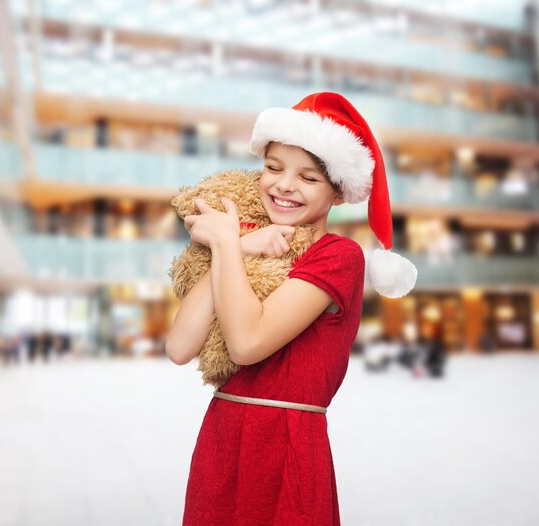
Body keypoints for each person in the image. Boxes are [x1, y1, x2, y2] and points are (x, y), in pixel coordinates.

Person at [166, 92, 417, 525]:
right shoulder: (251, 244)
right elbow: (179, 346)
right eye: (273, 168)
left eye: (308, 178)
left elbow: (246, 343)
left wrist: (225, 242)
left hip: (286, 446)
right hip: (221, 439)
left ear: (338, 193)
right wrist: (242, 244)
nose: (283, 186)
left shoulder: (338, 256)